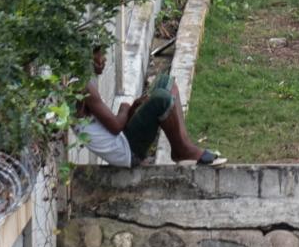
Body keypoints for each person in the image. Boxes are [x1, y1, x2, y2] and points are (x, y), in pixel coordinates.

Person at [79, 45, 221, 167]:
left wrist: (133, 107)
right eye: (101, 54)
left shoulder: (84, 83)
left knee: (166, 82)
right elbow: (116, 127)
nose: (104, 59)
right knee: (161, 99)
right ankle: (184, 151)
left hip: (122, 140)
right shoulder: (83, 87)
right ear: (89, 56)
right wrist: (125, 109)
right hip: (126, 152)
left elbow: (110, 127)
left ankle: (182, 147)